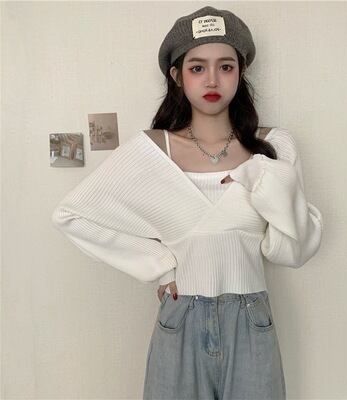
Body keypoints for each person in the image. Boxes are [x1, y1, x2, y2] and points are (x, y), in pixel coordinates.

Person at [51, 6, 324, 400]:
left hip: (252, 320)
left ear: (241, 72)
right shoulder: (151, 150)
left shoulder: (273, 147)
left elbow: (293, 249)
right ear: (177, 76)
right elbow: (71, 214)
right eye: (197, 68)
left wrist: (261, 178)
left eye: (225, 66)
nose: (212, 79)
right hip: (180, 318)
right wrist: (158, 265)